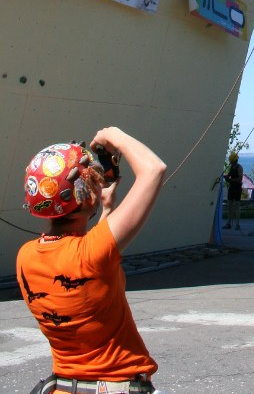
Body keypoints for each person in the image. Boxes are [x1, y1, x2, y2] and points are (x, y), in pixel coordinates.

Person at [17, 128, 166, 394]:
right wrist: (114, 134)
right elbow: (154, 170)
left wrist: (106, 208)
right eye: (92, 180)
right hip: (117, 386)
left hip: (64, 388)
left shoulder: (25, 257)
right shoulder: (93, 252)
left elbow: (82, 267)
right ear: (83, 195)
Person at [224, 151, 244, 230]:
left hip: (237, 189)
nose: (231, 163)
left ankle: (237, 224)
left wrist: (230, 180)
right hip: (231, 188)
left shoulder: (239, 167)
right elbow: (228, 175)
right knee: (229, 206)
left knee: (237, 206)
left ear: (234, 160)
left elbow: (240, 179)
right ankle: (228, 223)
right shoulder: (231, 167)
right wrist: (225, 177)